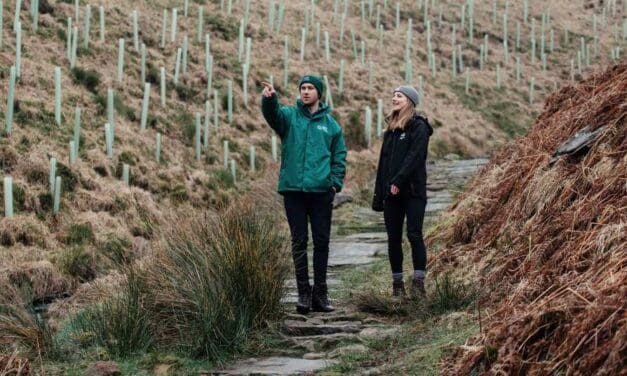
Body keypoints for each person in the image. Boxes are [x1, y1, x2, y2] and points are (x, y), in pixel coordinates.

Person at [261, 75, 347, 314]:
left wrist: (334, 184)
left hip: (321, 193)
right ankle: (303, 294)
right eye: (303, 88)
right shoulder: (289, 117)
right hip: (294, 192)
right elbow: (273, 116)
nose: (306, 92)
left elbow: (339, 156)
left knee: (321, 242)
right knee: (299, 241)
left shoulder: (331, 125)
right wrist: (269, 100)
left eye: (310, 88)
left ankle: (321, 294)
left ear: (319, 93)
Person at [371, 86, 433, 298]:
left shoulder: (419, 127)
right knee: (393, 238)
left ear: (410, 101)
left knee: (414, 234)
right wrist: (380, 192)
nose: (394, 98)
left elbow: (415, 156)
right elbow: (384, 163)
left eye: (399, 96)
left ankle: (418, 284)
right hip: (391, 194)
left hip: (413, 191)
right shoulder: (391, 129)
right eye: (394, 95)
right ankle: (397, 285)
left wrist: (398, 180)